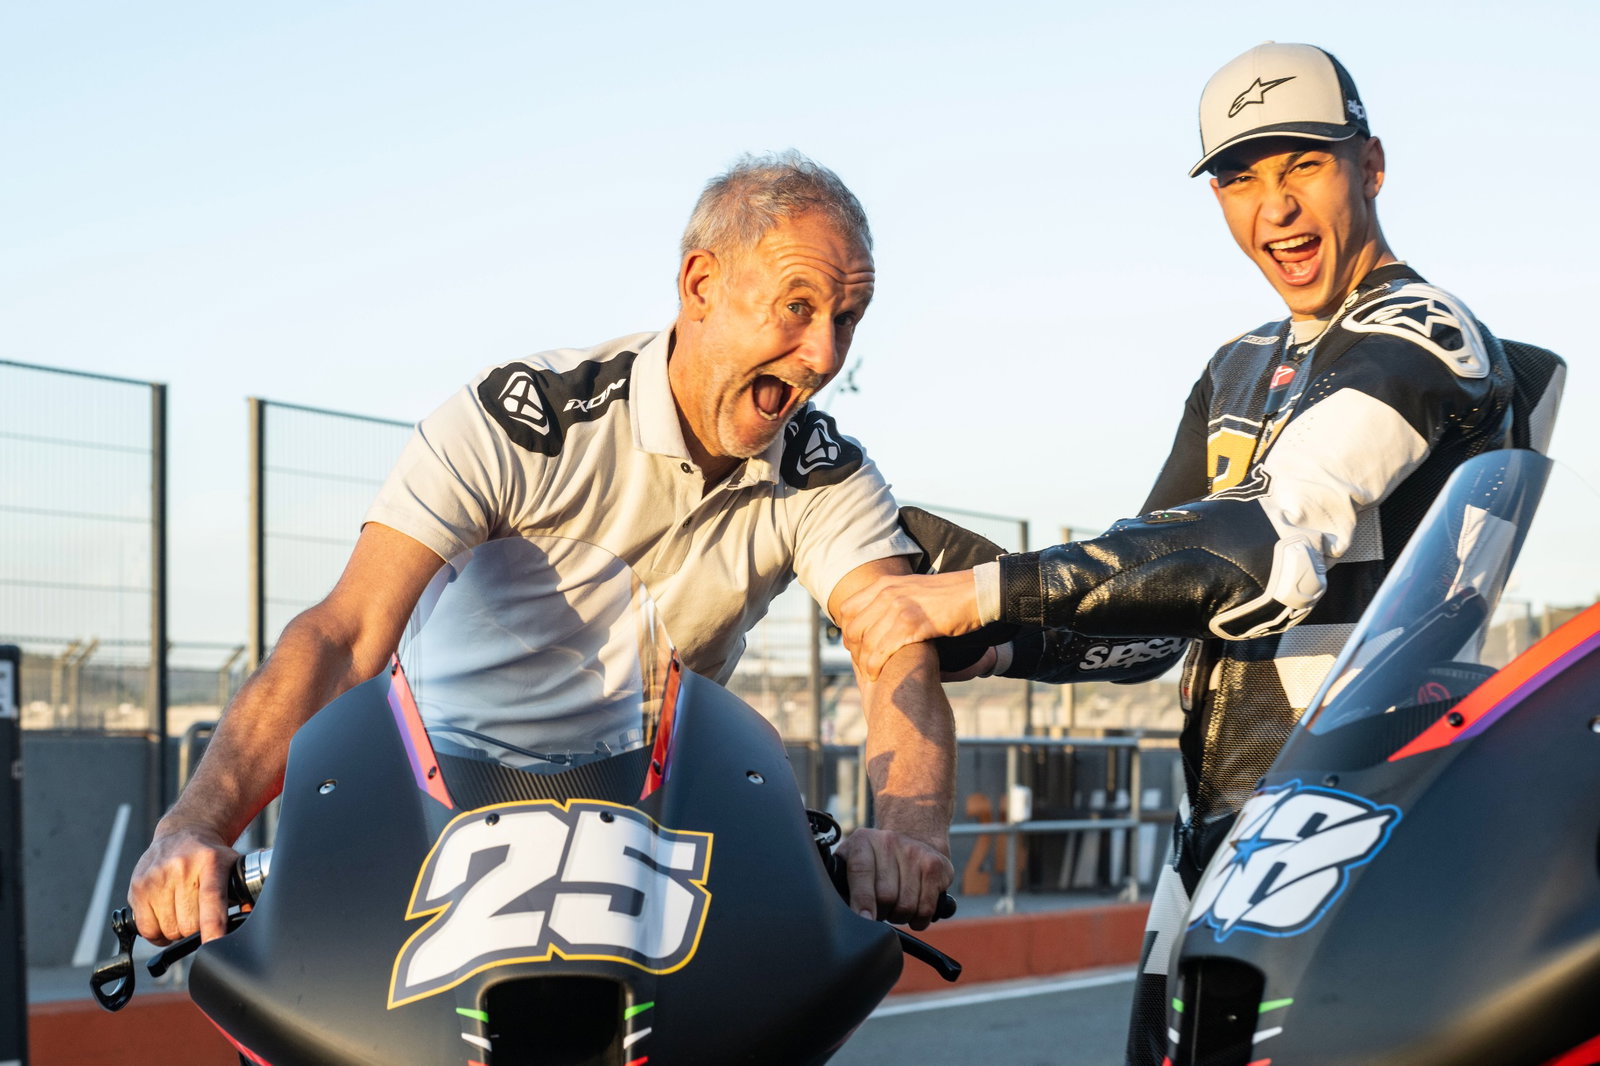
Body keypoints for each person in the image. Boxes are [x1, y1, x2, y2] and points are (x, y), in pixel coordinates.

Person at [838, 43, 1564, 1064]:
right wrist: (995, 641)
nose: (1275, 208)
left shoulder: (1425, 330)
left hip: (1362, 821)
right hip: (1214, 839)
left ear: (1371, 166)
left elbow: (1265, 542)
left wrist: (979, 590)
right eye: (1239, 178)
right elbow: (1149, 623)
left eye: (1302, 166)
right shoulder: (1234, 366)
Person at [129, 151, 958, 948]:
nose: (825, 356)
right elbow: (345, 636)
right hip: (429, 826)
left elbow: (893, 650)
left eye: (846, 320)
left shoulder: (825, 473)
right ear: (701, 285)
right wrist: (193, 828)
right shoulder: (523, 419)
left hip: (639, 846)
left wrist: (908, 837)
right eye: (797, 306)